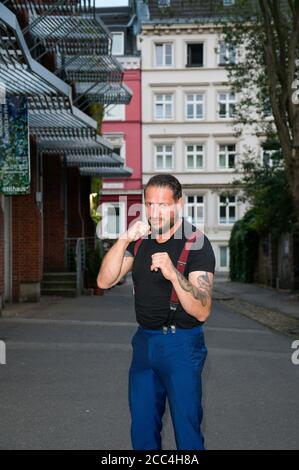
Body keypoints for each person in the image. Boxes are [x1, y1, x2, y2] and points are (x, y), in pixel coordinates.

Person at [97, 174, 215, 450]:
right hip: (144, 343)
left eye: (162, 205)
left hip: (182, 345)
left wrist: (174, 274)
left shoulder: (196, 244)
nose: (154, 212)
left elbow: (202, 310)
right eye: (149, 205)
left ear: (179, 204)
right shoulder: (140, 241)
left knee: (187, 431)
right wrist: (124, 239)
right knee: (142, 430)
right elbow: (104, 281)